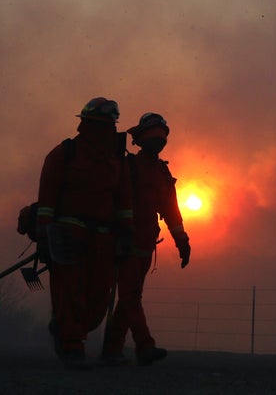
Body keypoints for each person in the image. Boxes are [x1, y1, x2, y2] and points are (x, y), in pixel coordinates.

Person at [36, 97, 134, 369]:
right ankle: (72, 346)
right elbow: (47, 196)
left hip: (104, 237)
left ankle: (66, 327)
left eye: (108, 125)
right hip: (69, 232)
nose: (103, 130)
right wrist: (44, 233)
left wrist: (126, 233)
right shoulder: (64, 153)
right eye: (97, 124)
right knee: (71, 292)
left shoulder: (118, 161)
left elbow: (124, 201)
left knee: (97, 300)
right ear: (84, 124)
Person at [101, 112, 191, 367]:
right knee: (130, 295)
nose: (158, 141)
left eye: (160, 137)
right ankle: (144, 346)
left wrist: (182, 239)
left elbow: (171, 210)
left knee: (130, 296)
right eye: (154, 136)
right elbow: (114, 199)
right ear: (141, 140)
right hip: (124, 240)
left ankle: (112, 349)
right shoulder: (127, 166)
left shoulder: (162, 172)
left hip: (145, 242)